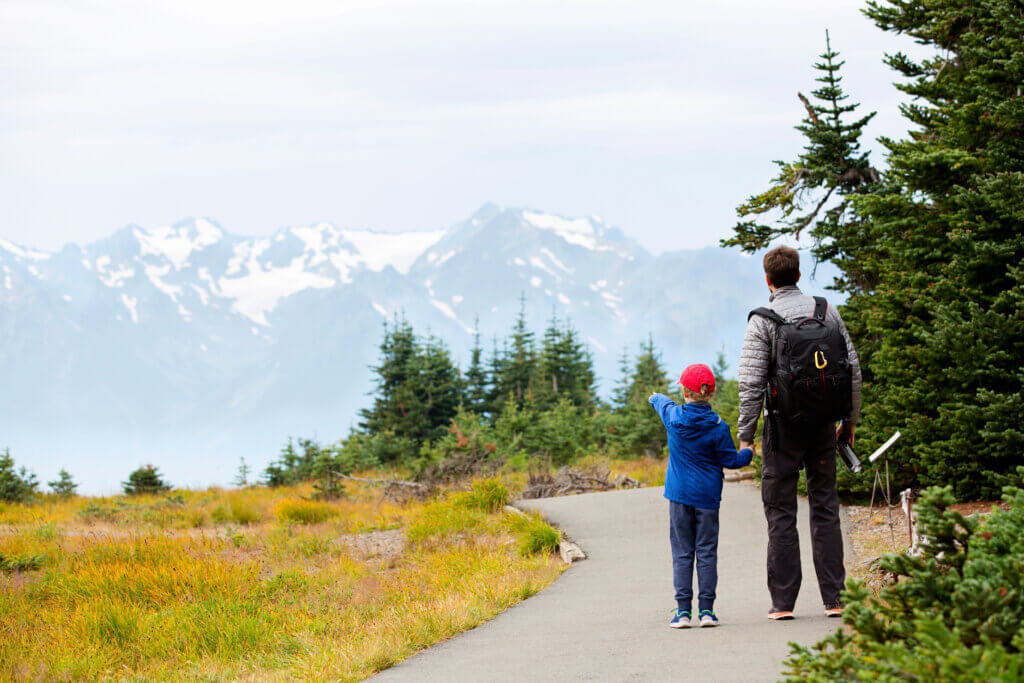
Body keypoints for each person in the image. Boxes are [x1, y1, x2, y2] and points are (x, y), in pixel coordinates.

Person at [737, 245, 861, 620]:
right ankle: (835, 599)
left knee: (781, 511)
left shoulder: (763, 319)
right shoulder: (826, 310)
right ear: (799, 275)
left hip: (782, 427)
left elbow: (750, 383)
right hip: (824, 426)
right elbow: (852, 370)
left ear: (768, 279)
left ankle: (783, 603)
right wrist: (849, 422)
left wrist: (745, 435)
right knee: (825, 507)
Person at [649, 363, 754, 629]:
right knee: (706, 552)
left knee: (682, 553)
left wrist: (654, 397)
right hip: (708, 498)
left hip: (679, 496)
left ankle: (682, 612)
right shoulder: (719, 427)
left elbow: (661, 401)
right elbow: (731, 461)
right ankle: (707, 611)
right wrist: (749, 452)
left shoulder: (672, 417)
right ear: (711, 393)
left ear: (684, 391)